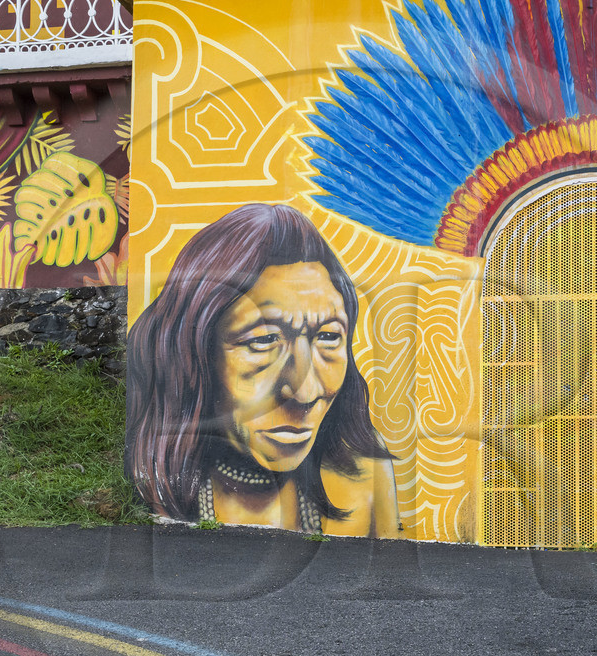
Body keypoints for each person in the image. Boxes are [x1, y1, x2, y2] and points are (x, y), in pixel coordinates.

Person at [125, 203, 399, 535]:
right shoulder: (146, 477)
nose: (305, 392)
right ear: (193, 353)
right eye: (264, 339)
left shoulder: (364, 469)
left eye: (328, 337)